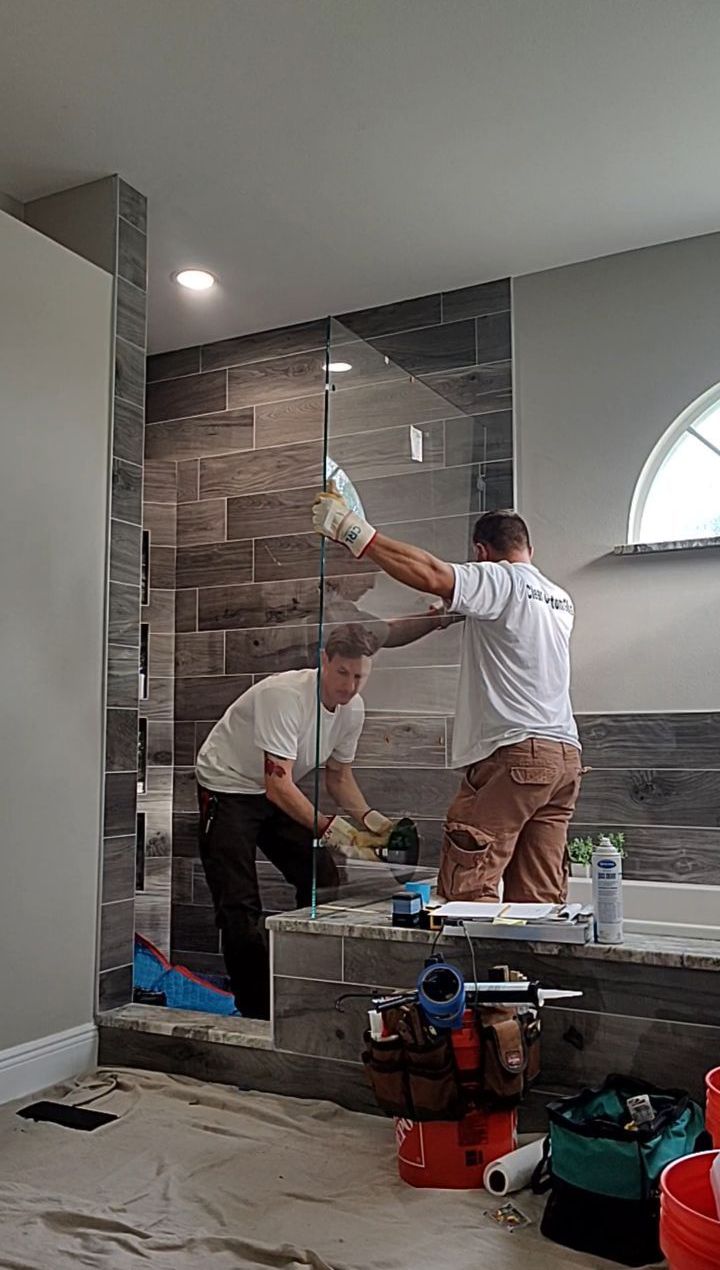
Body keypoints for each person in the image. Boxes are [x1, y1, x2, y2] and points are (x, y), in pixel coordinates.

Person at [312, 493, 583, 905]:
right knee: (539, 899)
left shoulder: (502, 578)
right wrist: (403, 627)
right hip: (563, 761)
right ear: (530, 549)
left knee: (468, 887)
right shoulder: (558, 599)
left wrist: (354, 532)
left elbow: (433, 573)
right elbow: (436, 616)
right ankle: (531, 970)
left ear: (481, 552)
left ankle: (466, 972)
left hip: (517, 756)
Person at [195, 623, 393, 1018]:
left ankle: (306, 989)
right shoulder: (284, 695)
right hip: (228, 786)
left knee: (322, 877)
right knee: (239, 905)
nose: (350, 686)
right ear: (324, 660)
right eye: (342, 673)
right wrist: (334, 830)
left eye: (359, 676)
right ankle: (256, 1012)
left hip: (274, 789)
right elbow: (278, 785)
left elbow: (338, 776)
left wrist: (372, 820)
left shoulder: (353, 709)